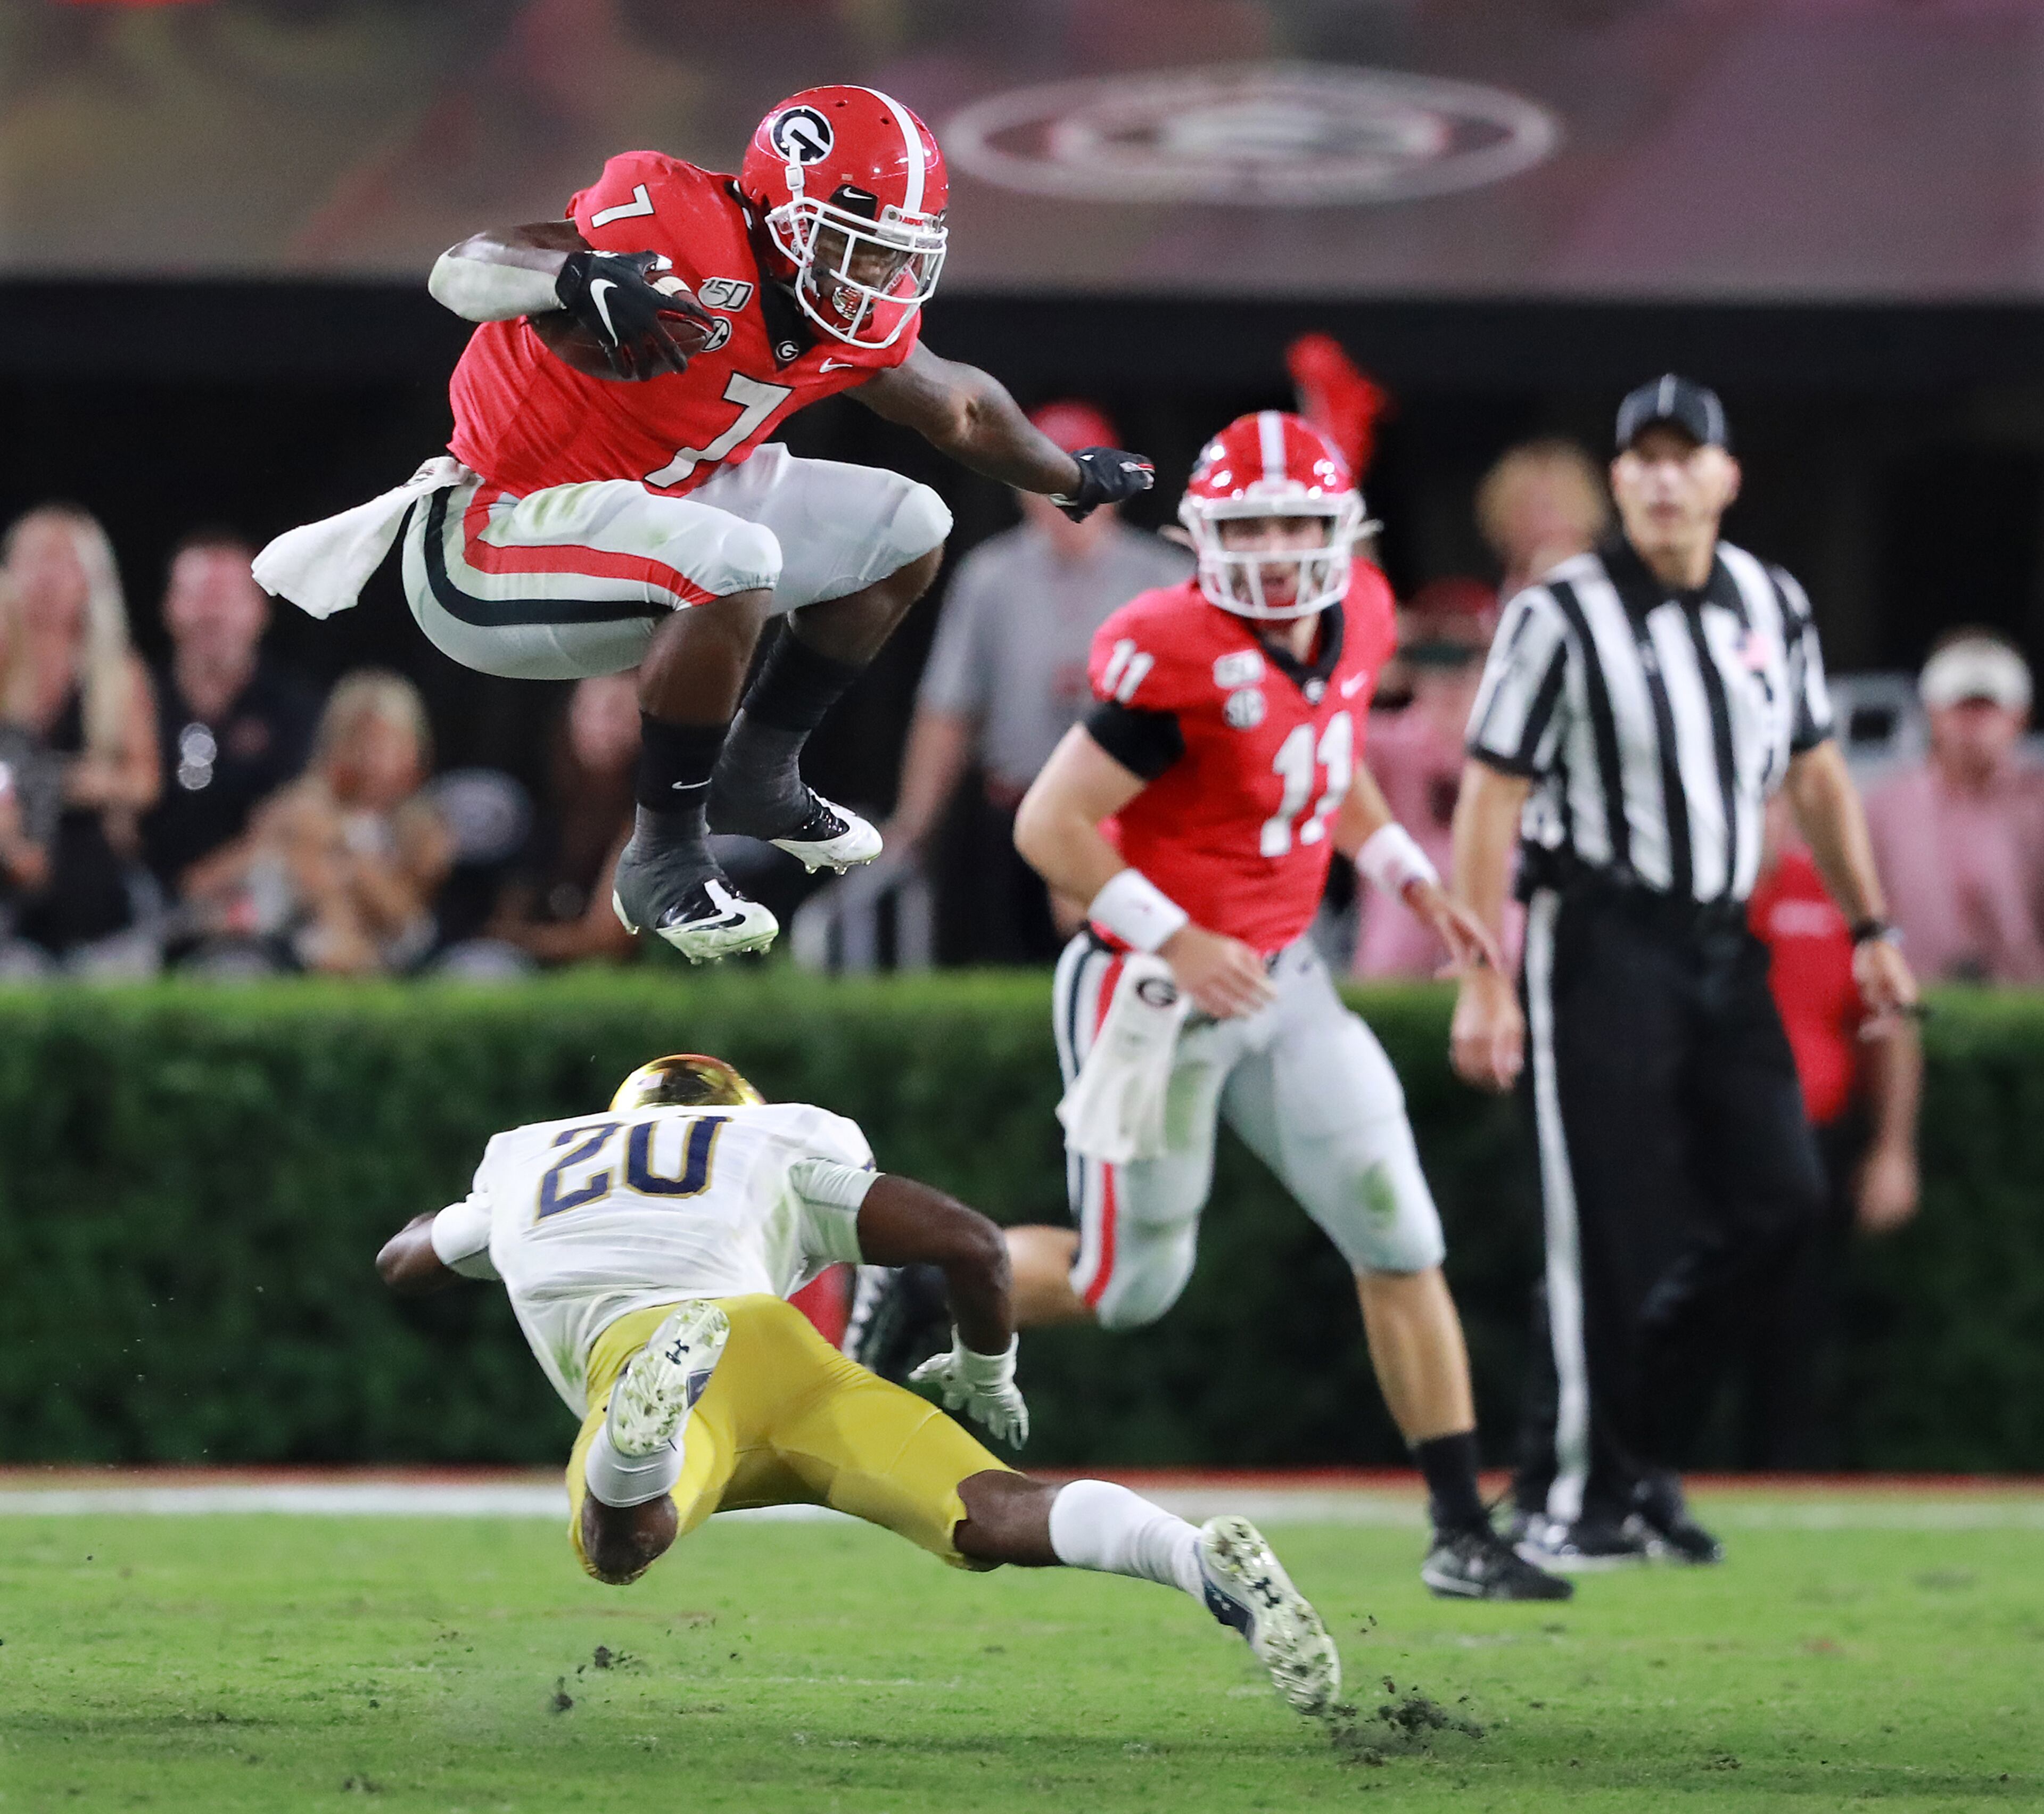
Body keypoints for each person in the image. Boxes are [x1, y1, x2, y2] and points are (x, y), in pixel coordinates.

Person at [854, 413, 1569, 1602]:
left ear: (1345, 534)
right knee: (1129, 1287)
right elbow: (1050, 827)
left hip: (1285, 975)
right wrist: (1178, 939)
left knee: (1399, 1234)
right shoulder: (1170, 648)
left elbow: (1319, 767)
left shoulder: (1366, 619)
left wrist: (1410, 879)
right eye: (1255, 527)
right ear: (1203, 540)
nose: (1283, 550)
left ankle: (1460, 1530)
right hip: (1149, 988)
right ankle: (928, 1279)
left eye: (1301, 524)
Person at [254, 86, 1153, 966]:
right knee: (733, 554)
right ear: (783, 214)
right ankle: (663, 854)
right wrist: (576, 273)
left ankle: (758, 773)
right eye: (856, 246)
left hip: (653, 512)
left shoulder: (842, 313)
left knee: (910, 524)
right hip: (491, 538)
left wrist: (1067, 474)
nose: (875, 277)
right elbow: (460, 267)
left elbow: (959, 409)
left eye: (893, 255)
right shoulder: (675, 224)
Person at [373, 1052, 1341, 1720]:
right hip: (783, 1355)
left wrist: (471, 1220)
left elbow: (403, 1261)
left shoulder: (535, 1157)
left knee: (616, 1541)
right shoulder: (770, 1143)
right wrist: (985, 1365)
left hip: (653, 1346)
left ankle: (640, 1439)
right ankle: (1194, 1557)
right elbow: (971, 1240)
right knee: (991, 1509)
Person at [1448, 374, 1919, 1568]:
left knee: (1782, 1201)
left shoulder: (1773, 601)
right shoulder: (1560, 612)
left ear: (1726, 476)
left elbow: (1815, 772)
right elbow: (1493, 789)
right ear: (1618, 483)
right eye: (1642, 459)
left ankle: (1636, 1452)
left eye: (1684, 456)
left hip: (1721, 938)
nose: (1663, 477)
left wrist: (1873, 928)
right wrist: (1484, 971)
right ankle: (1573, 1495)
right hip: (1597, 936)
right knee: (1609, 1224)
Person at [889, 400, 1192, 962]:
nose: (1066, 504)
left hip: (1129, 813)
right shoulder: (991, 577)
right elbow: (950, 708)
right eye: (1050, 483)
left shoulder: (1164, 577)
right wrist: (916, 821)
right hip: (1017, 810)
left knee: (1126, 964)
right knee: (1012, 966)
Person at [1737, 795, 1921, 1466]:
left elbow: (1891, 1027)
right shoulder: (1692, 908)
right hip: (1699, 1150)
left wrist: (1894, 1149)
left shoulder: (1833, 900)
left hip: (1811, 1140)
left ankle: (1785, 1472)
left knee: (1796, 1332)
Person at [183, 671, 451, 975]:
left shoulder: (423, 827)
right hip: (284, 953)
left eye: (386, 744)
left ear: (414, 747)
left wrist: (342, 847)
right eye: (361, 742)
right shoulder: (297, 809)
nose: (372, 760)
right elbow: (200, 885)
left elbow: (403, 917)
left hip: (396, 961)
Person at [0, 505, 161, 968]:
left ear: (93, 578)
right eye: (34, 560)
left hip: (92, 882)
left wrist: (85, 782)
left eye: (63, 562)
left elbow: (145, 783)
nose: (47, 578)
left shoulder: (118, 674)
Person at [143, 530, 321, 901]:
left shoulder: (291, 706)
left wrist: (206, 883)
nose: (211, 613)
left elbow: (297, 814)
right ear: (168, 606)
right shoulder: (134, 697)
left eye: (225, 598)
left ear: (259, 610)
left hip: (253, 891)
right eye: (197, 597)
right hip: (138, 892)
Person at [1862, 630, 2044, 983]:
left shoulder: (2037, 805)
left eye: (1988, 709)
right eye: (1961, 708)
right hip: (1917, 1004)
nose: (1974, 725)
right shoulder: (1886, 809)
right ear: (1933, 714)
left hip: (2027, 1009)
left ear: (2019, 717)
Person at [1353, 578, 1507, 979]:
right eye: (1437, 665)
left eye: (1467, 667)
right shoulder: (1385, 742)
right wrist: (1371, 664)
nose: (1451, 685)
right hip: (1404, 915)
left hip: (1500, 913)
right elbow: (1324, 740)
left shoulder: (1517, 749)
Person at [484, 672, 640, 966]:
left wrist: (520, 940)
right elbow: (510, 914)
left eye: (619, 711)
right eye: (590, 711)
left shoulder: (648, 823)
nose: (603, 727)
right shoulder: (547, 814)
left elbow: (608, 940)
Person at [1474, 439, 1612, 599]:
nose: (1541, 522)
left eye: (1555, 505)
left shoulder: (1619, 594)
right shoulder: (1484, 608)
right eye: (1524, 508)